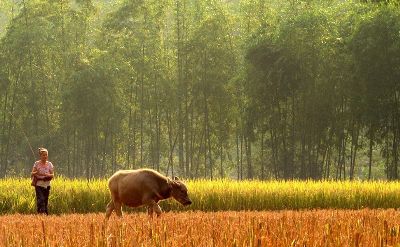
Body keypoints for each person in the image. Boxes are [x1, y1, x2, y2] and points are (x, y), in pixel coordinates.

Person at [31, 147, 54, 215]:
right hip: (39, 185)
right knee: (41, 199)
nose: (45, 156)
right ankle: (42, 212)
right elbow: (32, 173)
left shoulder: (50, 164)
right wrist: (36, 172)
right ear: (40, 156)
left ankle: (43, 213)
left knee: (45, 200)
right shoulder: (36, 163)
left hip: (47, 185)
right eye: (43, 155)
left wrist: (48, 175)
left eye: (46, 155)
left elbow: (52, 175)